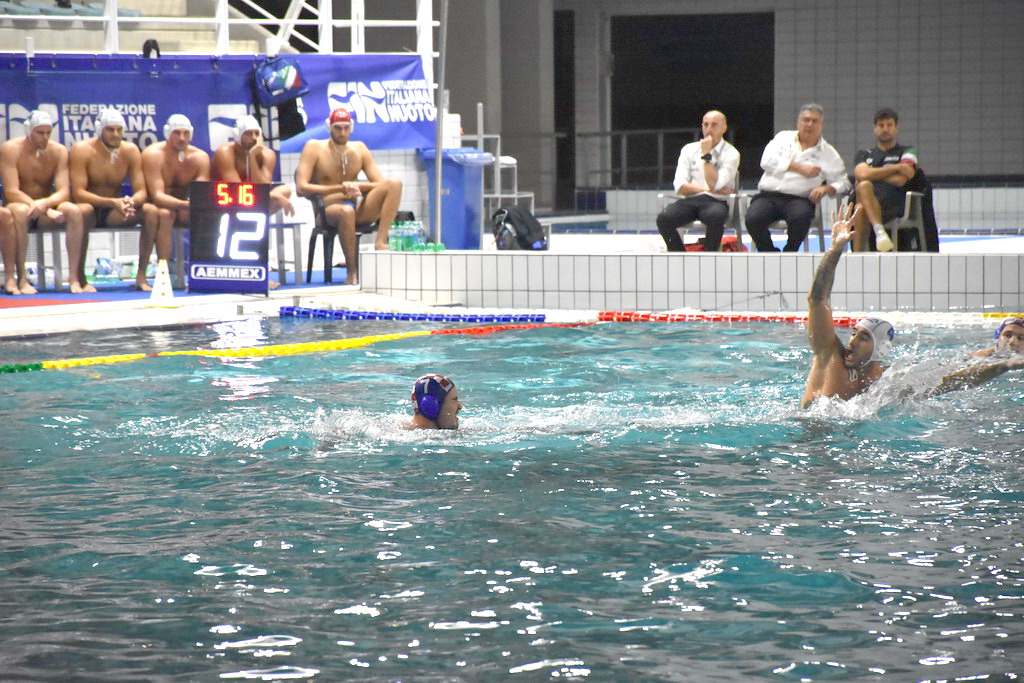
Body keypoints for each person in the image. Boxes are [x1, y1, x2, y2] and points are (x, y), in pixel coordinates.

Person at [294, 108, 403, 285]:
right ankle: (352, 273)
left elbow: (379, 183)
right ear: (329, 127)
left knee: (394, 184)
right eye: (338, 128)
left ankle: (381, 241)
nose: (342, 133)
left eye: (346, 128)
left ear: (351, 128)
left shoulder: (359, 148)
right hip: (329, 210)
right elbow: (301, 187)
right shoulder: (314, 147)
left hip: (356, 209)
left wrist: (357, 186)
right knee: (346, 211)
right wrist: (340, 188)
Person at [802, 204, 896, 408]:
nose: (852, 341)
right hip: (807, 429)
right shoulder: (831, 355)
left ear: (880, 349)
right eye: (854, 333)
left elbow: (943, 380)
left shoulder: (886, 380)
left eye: (864, 337)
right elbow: (817, 299)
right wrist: (835, 249)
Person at [1, 110, 91, 294]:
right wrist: (42, 207)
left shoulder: (58, 151)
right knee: (19, 210)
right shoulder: (11, 149)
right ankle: (20, 278)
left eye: (48, 133)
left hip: (46, 206)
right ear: (29, 131)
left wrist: (45, 204)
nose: (45, 137)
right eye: (40, 133)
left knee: (74, 211)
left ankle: (73, 278)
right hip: (20, 204)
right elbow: (11, 191)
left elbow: (64, 192)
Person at [70, 107, 156, 291]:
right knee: (83, 210)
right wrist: (112, 202)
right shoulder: (82, 150)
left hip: (113, 211)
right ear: (99, 129)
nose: (116, 134)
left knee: (150, 211)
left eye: (119, 130)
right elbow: (78, 193)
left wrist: (131, 202)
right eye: (110, 130)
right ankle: (80, 278)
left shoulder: (130, 151)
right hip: (90, 210)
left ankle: (141, 277)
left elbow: (142, 191)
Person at [746, 104, 850, 252]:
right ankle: (769, 252)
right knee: (753, 218)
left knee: (801, 218)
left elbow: (844, 182)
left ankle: (790, 252)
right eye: (806, 120)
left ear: (821, 125)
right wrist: (799, 168)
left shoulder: (829, 153)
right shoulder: (783, 138)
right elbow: (766, 162)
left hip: (799, 199)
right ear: (798, 122)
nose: (810, 124)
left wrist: (827, 188)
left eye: (815, 121)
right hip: (768, 196)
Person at [140, 114, 210, 289]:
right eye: (177, 133)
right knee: (164, 214)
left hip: (185, 209)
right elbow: (157, 196)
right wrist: (186, 205)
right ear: (167, 133)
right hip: (161, 208)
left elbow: (200, 194)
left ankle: (207, 270)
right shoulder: (153, 155)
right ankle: (164, 273)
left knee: (209, 214)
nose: (182, 138)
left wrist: (189, 205)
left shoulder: (200, 158)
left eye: (186, 133)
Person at [656, 110, 740, 252]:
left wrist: (706, 155)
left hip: (716, 201)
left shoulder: (731, 153)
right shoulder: (689, 149)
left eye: (714, 125)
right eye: (706, 125)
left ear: (724, 128)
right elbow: (680, 186)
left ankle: (708, 257)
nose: (709, 129)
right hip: (690, 200)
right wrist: (707, 189)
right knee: (664, 218)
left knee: (716, 216)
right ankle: (679, 255)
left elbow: (715, 185)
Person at [850, 108, 917, 252]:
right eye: (881, 125)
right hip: (868, 200)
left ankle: (856, 256)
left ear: (896, 127)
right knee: (863, 193)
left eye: (889, 125)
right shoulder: (864, 154)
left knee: (862, 195)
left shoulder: (908, 151)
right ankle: (880, 232)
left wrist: (872, 173)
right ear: (875, 128)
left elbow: (901, 180)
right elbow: (861, 174)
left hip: (892, 203)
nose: (885, 129)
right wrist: (897, 167)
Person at [212, 114, 294, 217]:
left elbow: (263, 189)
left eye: (257, 133)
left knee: (285, 190)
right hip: (227, 200)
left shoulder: (267, 154)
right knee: (275, 195)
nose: (254, 138)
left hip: (254, 200)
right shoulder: (225, 152)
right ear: (238, 135)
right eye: (249, 134)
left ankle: (257, 218)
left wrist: (252, 157)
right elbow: (237, 189)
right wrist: (273, 195)